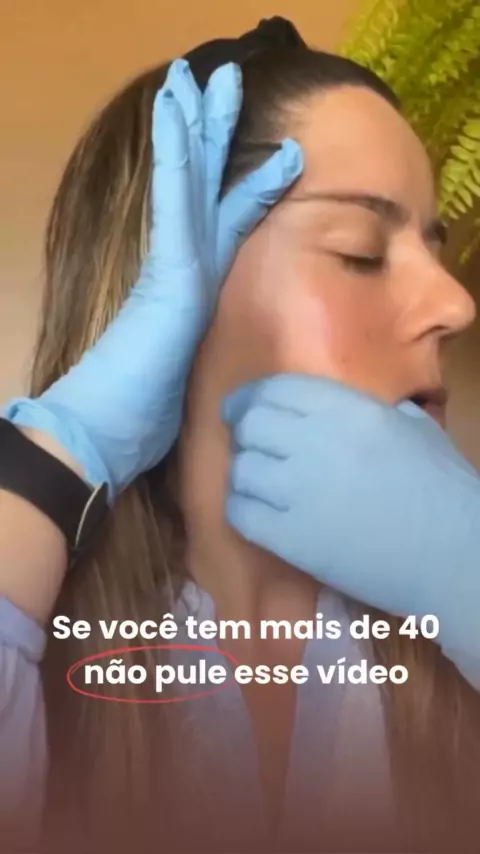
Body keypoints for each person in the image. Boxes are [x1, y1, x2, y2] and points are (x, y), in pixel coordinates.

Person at [1, 16, 480, 854]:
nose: (456, 304)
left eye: (433, 251)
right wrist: (65, 451)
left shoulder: (450, 644)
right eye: (361, 251)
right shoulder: (50, 658)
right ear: (169, 301)